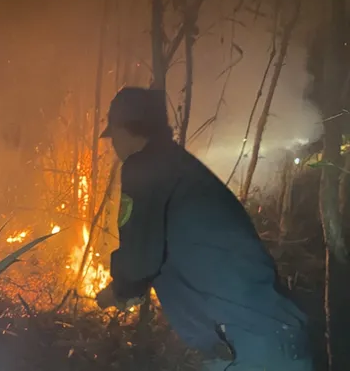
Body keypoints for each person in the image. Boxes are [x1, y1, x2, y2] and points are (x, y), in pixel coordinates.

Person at [95, 87, 313, 371]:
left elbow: (139, 260)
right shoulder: (179, 167)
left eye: (114, 137)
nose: (114, 147)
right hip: (270, 339)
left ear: (124, 131)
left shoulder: (145, 165)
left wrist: (119, 291)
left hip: (252, 349)